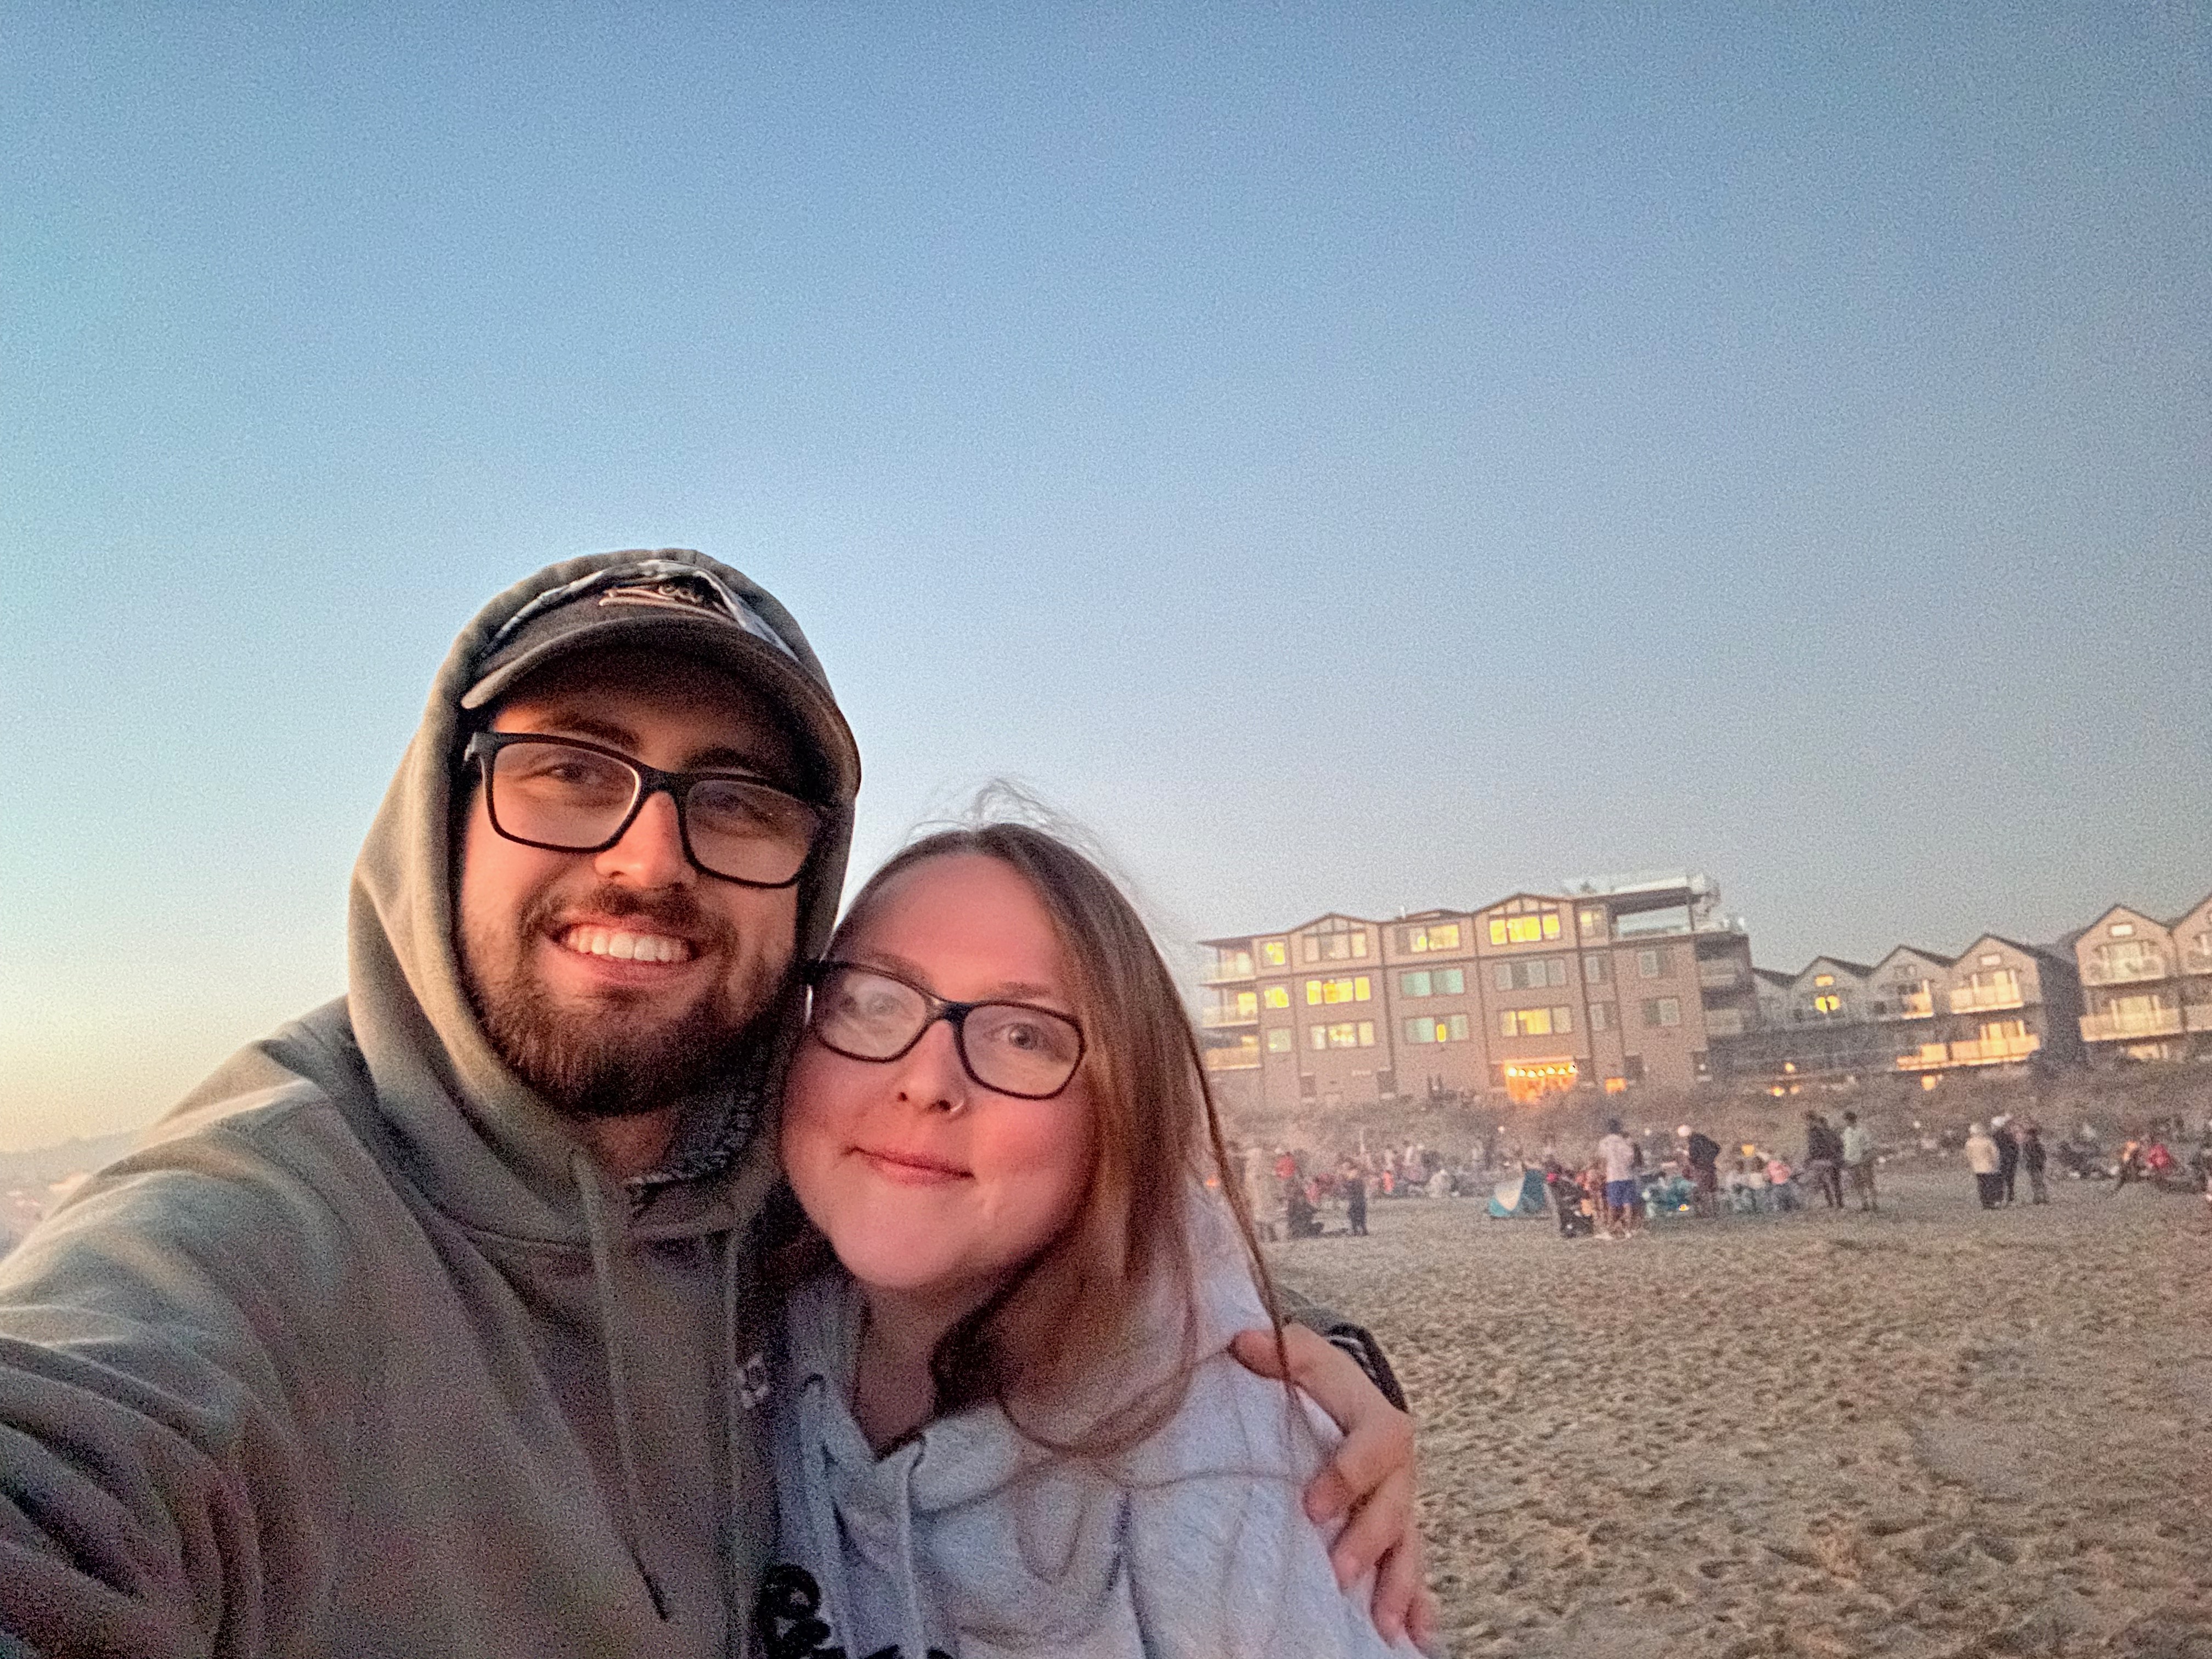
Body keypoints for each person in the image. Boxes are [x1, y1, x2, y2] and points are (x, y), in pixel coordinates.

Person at [0, 552, 1429, 1655]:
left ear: (806, 888)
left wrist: (1301, 1374)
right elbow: (73, 1455)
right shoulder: (263, 1240)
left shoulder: (787, 1183)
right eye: (571, 772)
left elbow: (1058, 1245)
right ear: (441, 820)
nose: (649, 857)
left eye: (736, 800)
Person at [765, 827, 1423, 1656]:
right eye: (873, 1001)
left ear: (1120, 1112)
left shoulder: (1224, 1487)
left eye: (1023, 1035)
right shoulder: (718, 1330)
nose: (926, 1081)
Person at [1596, 1118, 1639, 1238]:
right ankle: (1628, 1230)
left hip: (1613, 1177)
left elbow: (1603, 1159)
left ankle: (1610, 1231)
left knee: (1613, 1205)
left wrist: (1603, 1173)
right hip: (1627, 1176)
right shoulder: (1624, 1142)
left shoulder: (1604, 1143)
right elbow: (1631, 1158)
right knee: (1627, 1204)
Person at [1679, 1124, 1723, 1218]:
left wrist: (1688, 1155)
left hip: (1701, 1169)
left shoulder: (1693, 1143)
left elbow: (1693, 1157)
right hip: (1710, 1168)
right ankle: (1715, 1212)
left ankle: (1706, 1213)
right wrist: (1710, 1159)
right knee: (1712, 1190)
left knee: (1703, 1191)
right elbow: (1717, 1148)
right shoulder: (1703, 1139)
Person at [1840, 1109, 1877, 1212]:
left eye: (1847, 1120)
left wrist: (1865, 1158)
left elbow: (1868, 1146)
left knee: (1869, 1182)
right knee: (1858, 1184)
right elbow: (1847, 1147)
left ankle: (1874, 1203)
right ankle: (1864, 1204)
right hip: (1852, 1161)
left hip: (1863, 1161)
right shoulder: (1846, 1132)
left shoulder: (1862, 1131)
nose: (1846, 1122)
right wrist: (1847, 1159)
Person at [1966, 1121, 2003, 1209]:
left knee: (1982, 1185)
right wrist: (1996, 1164)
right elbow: (1995, 1154)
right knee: (1990, 1185)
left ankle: (1985, 1202)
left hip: (1977, 1168)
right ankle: (1992, 1202)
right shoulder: (1987, 1141)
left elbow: (1969, 1156)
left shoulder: (1969, 1143)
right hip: (1989, 1167)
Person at [1993, 1115, 2021, 1205]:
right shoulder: (2010, 1135)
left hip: (2000, 1160)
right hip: (2010, 1160)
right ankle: (2010, 1198)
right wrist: (2015, 1159)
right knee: (2010, 1181)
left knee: (1999, 1180)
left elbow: (1994, 1149)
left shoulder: (1995, 1136)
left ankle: (1999, 1199)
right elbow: (2016, 1149)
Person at [2021, 1121, 2049, 1205]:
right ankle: (2041, 1197)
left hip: (2033, 1165)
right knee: (2039, 1181)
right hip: (2037, 1165)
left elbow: (2027, 1156)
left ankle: (2039, 1197)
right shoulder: (2036, 1144)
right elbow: (2043, 1155)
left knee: (2036, 1181)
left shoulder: (2028, 1144)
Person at [1342, 1158, 1370, 1237]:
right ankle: (1361, 1229)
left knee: (1354, 1213)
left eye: (1346, 1165)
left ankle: (1356, 1230)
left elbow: (1354, 1187)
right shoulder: (1353, 1174)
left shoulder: (1353, 1174)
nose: (1344, 1167)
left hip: (1356, 1198)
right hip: (1357, 1198)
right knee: (1358, 1213)